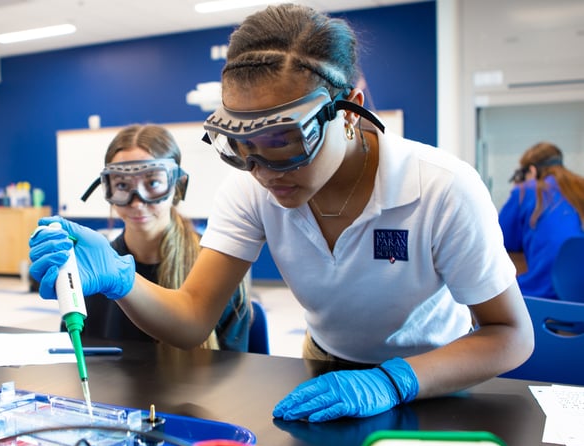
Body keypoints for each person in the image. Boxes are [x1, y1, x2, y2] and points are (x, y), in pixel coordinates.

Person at [29, 4, 533, 423]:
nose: (265, 171)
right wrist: (123, 281)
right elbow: (191, 320)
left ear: (350, 109)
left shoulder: (440, 188)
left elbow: (510, 335)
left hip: (435, 377)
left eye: (284, 141)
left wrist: (396, 379)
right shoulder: (249, 189)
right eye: (240, 145)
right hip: (322, 371)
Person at [78, 124, 252, 351]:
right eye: (122, 185)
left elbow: (234, 371)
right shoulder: (95, 270)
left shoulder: (215, 267)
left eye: (152, 183)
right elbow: (73, 356)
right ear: (107, 189)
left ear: (177, 186)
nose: (137, 202)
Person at [499, 142, 584, 298]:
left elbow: (498, 241)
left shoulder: (526, 190)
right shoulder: (579, 188)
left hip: (544, 293)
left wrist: (517, 190)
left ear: (531, 170)